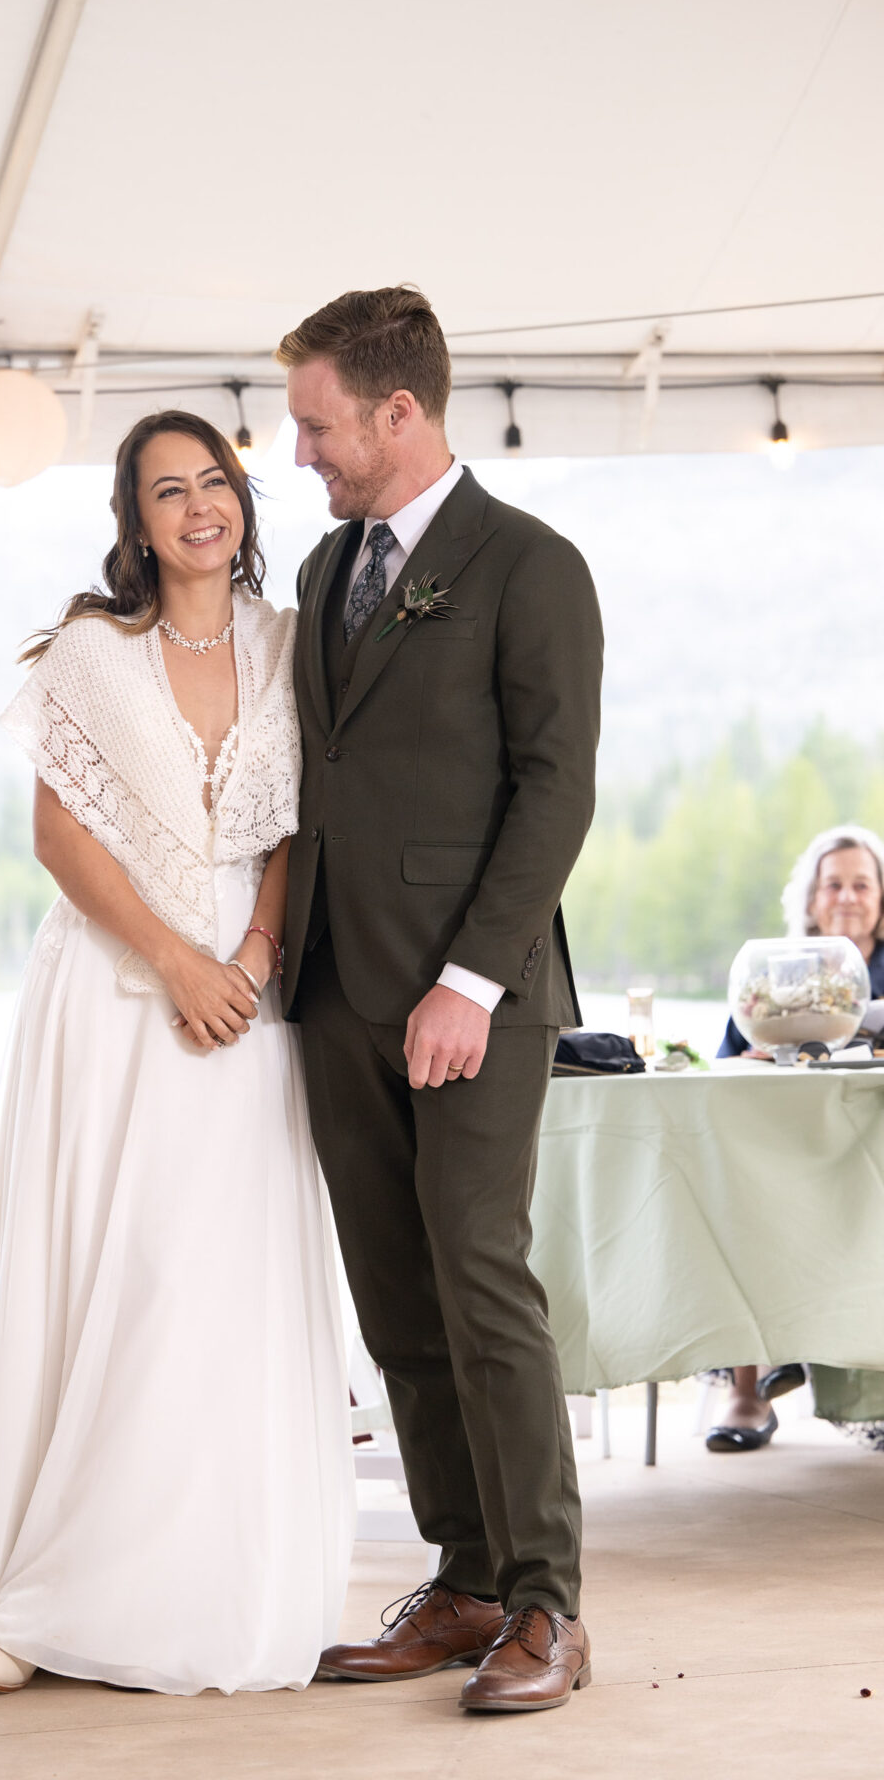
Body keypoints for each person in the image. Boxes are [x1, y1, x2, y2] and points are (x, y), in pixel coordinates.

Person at [0, 410, 354, 1695]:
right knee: (126, 1270)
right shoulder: (92, 653)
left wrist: (253, 960)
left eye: (214, 482)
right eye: (167, 492)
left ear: (243, 500)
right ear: (136, 522)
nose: (197, 508)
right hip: (119, 985)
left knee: (221, 1288)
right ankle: (48, 1590)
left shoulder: (294, 647)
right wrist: (177, 962)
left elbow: (298, 831)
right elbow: (60, 842)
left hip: (251, 988)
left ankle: (203, 1586)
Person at [277, 287, 603, 1713]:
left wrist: (470, 978)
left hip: (473, 990)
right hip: (335, 983)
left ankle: (548, 1604)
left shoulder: (532, 566)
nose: (300, 454)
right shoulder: (322, 567)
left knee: (482, 1287)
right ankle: (464, 1570)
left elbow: (557, 790)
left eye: (317, 424)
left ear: (397, 412)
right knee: (399, 1301)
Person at [707, 824, 884, 1452]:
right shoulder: (774, 974)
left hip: (872, 1156)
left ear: (881, 896)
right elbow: (725, 1065)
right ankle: (745, 1389)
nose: (846, 896)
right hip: (789, 1150)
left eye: (861, 883)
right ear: (810, 900)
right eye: (832, 884)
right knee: (740, 1198)